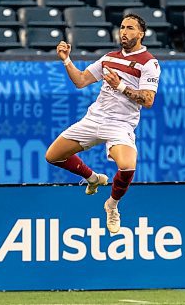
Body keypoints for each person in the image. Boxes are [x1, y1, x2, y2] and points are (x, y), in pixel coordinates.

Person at [45, 13, 161, 234]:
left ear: (141, 34)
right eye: (122, 27)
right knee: (53, 156)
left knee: (127, 166)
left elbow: (148, 100)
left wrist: (120, 87)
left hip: (120, 124)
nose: (124, 32)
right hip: (94, 118)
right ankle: (93, 178)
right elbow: (81, 81)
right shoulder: (109, 58)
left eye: (130, 28)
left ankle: (112, 205)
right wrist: (67, 60)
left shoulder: (149, 63)